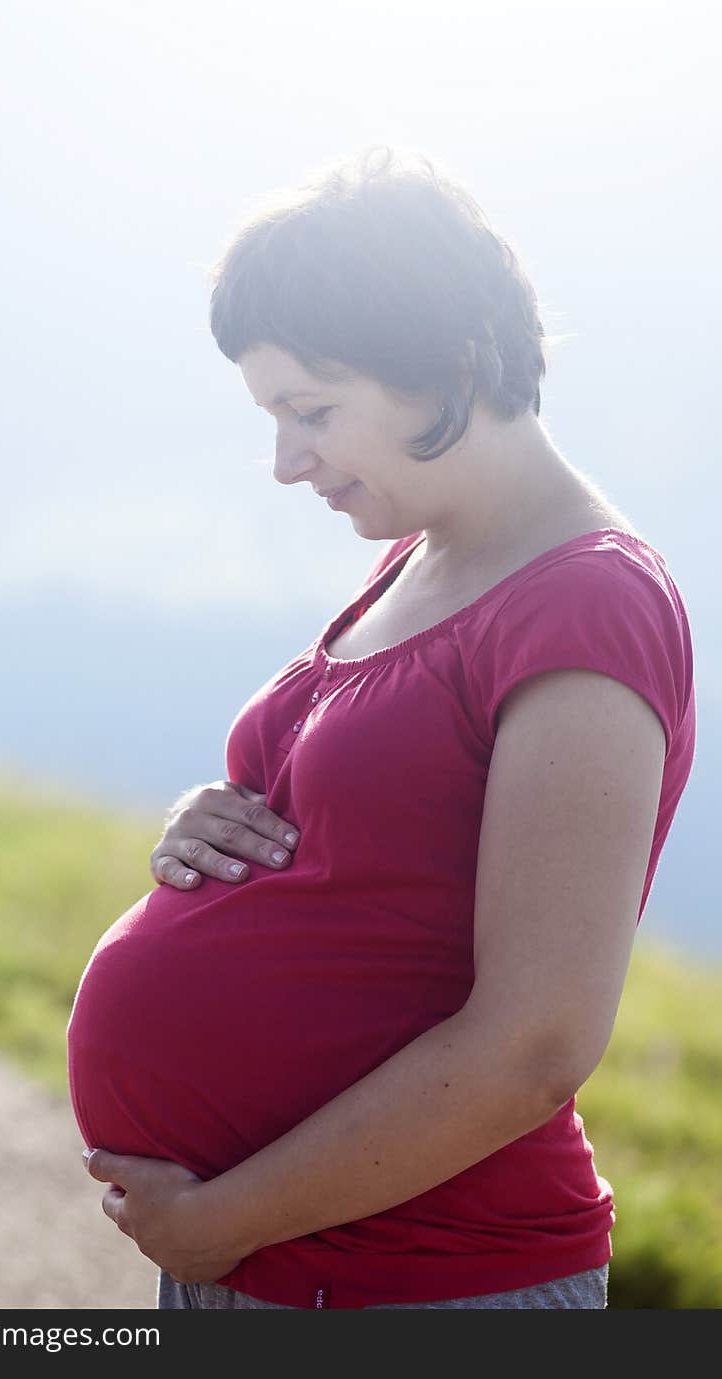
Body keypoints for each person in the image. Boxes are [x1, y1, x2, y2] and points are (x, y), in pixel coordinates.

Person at [67, 144, 696, 1309]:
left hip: (428, 1282)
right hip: (279, 1270)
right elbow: (369, 846)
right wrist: (213, 824)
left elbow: (535, 1041)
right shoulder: (422, 556)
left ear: (448, 363)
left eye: (312, 411)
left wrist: (217, 1220)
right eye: (271, 415)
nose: (284, 460)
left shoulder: (587, 600)